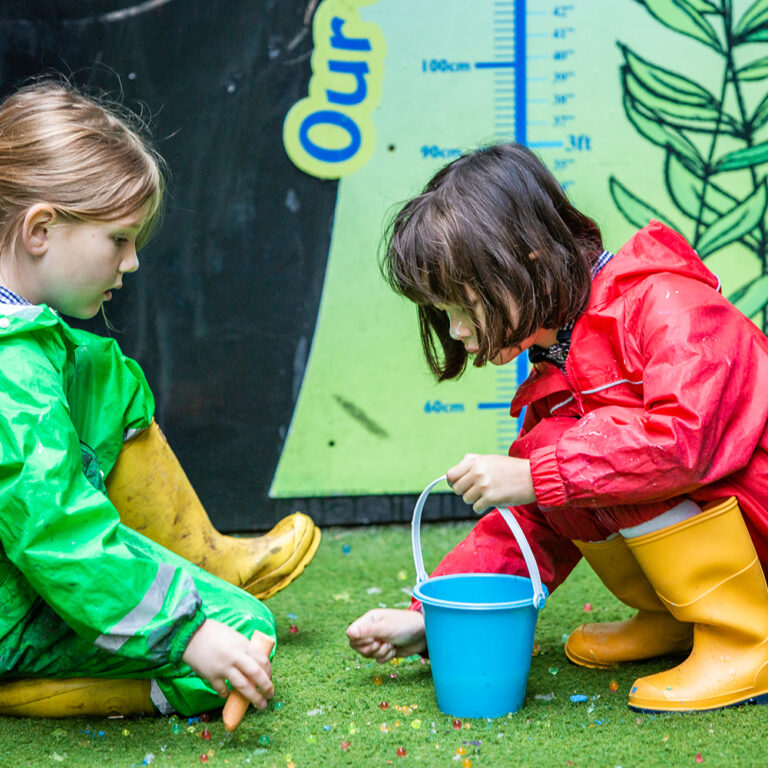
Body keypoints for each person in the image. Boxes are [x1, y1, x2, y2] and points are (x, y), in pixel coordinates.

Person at [348, 142, 768, 713]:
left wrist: (538, 475)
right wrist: (432, 620)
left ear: (530, 260)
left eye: (461, 305)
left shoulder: (672, 306)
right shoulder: (563, 353)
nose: (456, 331)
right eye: (442, 311)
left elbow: (681, 444)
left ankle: (745, 636)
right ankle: (674, 617)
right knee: (556, 451)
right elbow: (531, 516)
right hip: (727, 537)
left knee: (582, 450)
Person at [0, 79, 319, 718]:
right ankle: (101, 687)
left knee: (100, 367)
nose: (133, 262)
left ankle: (198, 551)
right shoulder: (14, 375)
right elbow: (59, 532)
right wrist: (187, 633)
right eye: (119, 239)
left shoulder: (33, 345)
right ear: (40, 229)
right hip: (16, 613)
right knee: (238, 631)